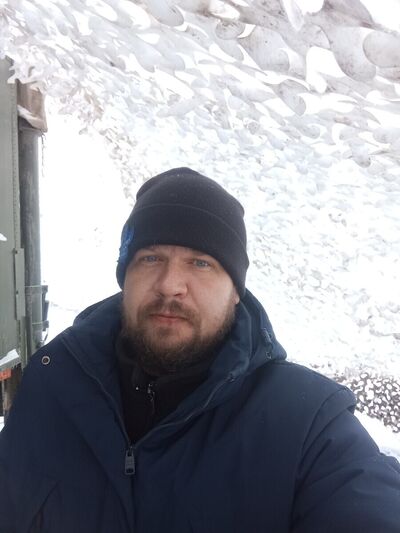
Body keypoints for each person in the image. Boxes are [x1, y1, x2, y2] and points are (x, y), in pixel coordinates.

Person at [0, 167, 399, 533]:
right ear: (125, 277)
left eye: (201, 263)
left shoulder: (307, 424)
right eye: (150, 258)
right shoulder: (51, 387)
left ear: (235, 291)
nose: (170, 284)